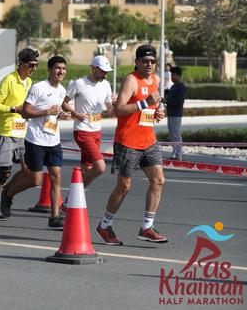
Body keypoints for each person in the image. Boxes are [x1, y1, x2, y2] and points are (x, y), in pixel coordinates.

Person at [96, 44, 167, 246]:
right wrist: (145, 103)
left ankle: (147, 228)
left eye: (152, 61)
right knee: (124, 186)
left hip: (149, 141)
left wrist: (157, 112)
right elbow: (119, 110)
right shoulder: (131, 80)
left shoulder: (156, 80)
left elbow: (149, 108)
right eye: (145, 61)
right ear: (136, 62)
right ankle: (104, 225)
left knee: (158, 180)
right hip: (128, 142)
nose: (149, 64)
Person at [0, 55, 71, 229]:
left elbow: (55, 111)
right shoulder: (38, 88)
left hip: (53, 139)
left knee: (56, 177)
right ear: (50, 69)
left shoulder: (62, 90)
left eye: (63, 68)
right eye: (57, 68)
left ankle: (54, 217)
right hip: (35, 139)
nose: (61, 71)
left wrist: (61, 114)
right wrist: (47, 111)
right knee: (35, 179)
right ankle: (8, 194)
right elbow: (25, 112)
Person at [0, 46, 39, 220]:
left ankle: (7, 193)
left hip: (22, 132)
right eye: (31, 65)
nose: (33, 69)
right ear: (21, 64)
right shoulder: (9, 80)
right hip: (6, 132)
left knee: (27, 171)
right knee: (5, 172)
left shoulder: (29, 82)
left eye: (36, 65)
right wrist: (14, 109)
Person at [63, 55, 116, 188]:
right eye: (102, 71)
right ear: (93, 68)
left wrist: (116, 103)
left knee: (87, 168)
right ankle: (73, 194)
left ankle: (75, 198)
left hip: (97, 131)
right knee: (100, 166)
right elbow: (63, 103)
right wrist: (76, 114)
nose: (105, 74)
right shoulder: (79, 83)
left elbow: (110, 111)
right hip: (82, 130)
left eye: (106, 72)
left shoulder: (106, 85)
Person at [166, 66, 187, 160]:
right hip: (170, 113)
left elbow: (179, 101)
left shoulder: (181, 87)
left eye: (173, 75)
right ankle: (174, 152)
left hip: (176, 114)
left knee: (176, 134)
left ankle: (179, 154)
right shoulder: (173, 86)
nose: (171, 77)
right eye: (171, 75)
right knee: (172, 134)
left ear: (178, 76)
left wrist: (168, 101)